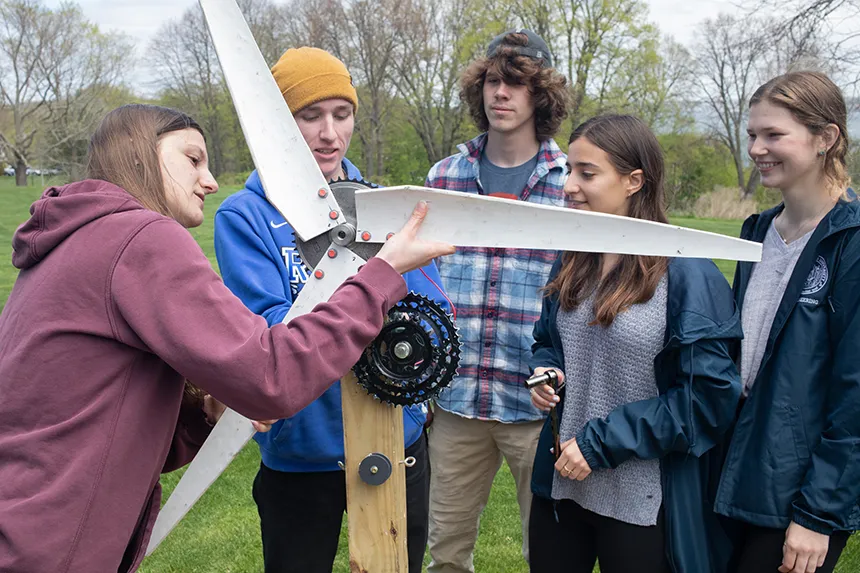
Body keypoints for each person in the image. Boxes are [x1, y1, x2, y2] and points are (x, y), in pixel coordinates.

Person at [0, 103, 453, 573]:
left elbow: (94, 416)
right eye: (193, 159)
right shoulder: (139, 236)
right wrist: (380, 276)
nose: (211, 180)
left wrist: (203, 413)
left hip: (29, 523)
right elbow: (272, 377)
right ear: (138, 156)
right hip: (54, 543)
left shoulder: (75, 240)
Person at [213, 46, 452, 573]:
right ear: (277, 124)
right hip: (300, 452)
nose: (330, 133)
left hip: (396, 438)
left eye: (341, 114)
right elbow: (271, 341)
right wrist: (376, 295)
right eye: (310, 116)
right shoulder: (246, 216)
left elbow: (433, 314)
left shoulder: (385, 206)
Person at [528, 114, 742, 573]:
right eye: (569, 169)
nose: (568, 185)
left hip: (641, 504)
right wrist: (547, 371)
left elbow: (706, 400)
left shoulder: (687, 273)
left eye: (587, 173)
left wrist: (602, 442)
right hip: (563, 489)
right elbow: (548, 340)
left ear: (634, 181)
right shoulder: (572, 257)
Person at [423, 29, 569, 572]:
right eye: (491, 80)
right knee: (446, 553)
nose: (500, 93)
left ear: (542, 95)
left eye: (516, 82)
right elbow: (424, 281)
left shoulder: (568, 184)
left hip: (536, 406)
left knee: (549, 554)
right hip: (457, 399)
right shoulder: (445, 178)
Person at [714, 71, 859, 573]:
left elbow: (855, 394)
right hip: (733, 464)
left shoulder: (852, 241)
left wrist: (819, 513)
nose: (756, 148)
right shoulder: (756, 230)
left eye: (774, 135)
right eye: (752, 134)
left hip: (799, 487)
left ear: (826, 138)